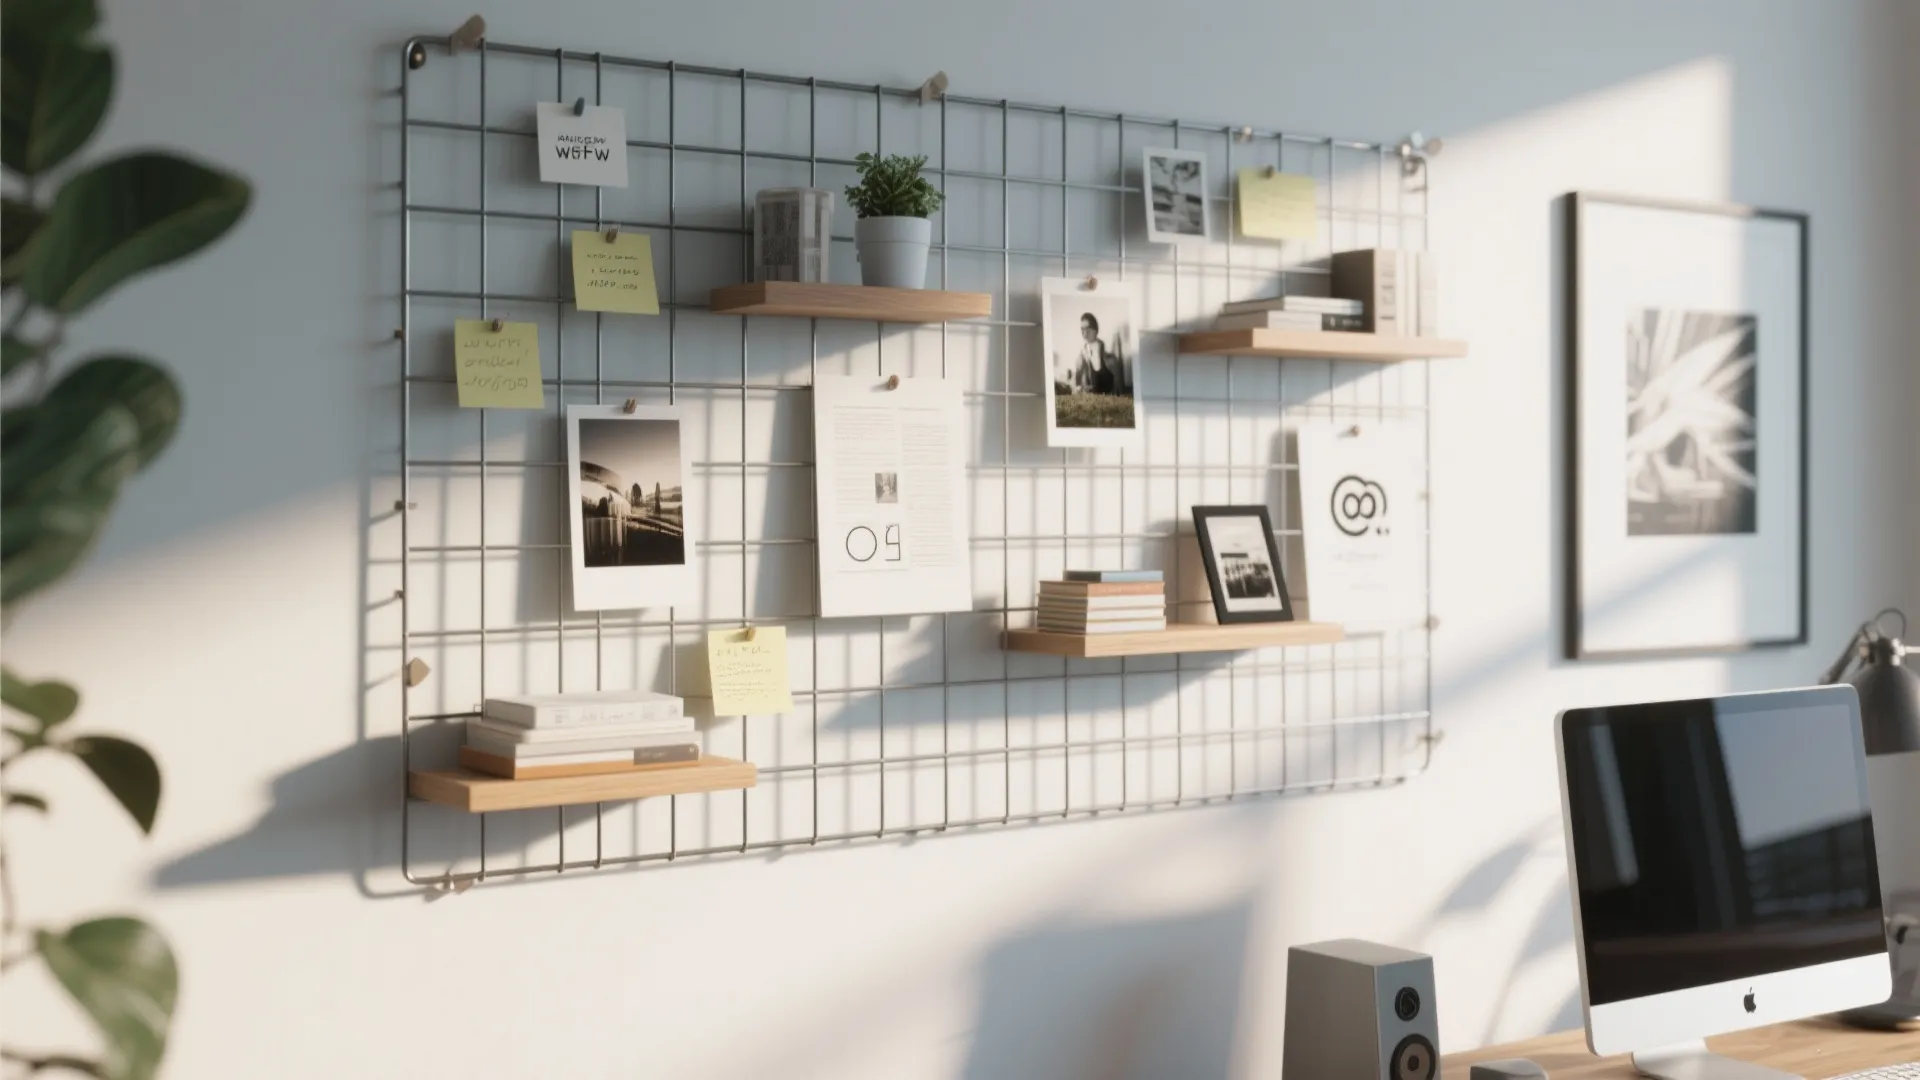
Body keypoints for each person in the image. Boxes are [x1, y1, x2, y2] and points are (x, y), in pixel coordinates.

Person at [1072, 312, 1115, 395]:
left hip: (1105, 390)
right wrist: (1079, 387)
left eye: (1088, 329)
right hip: (1089, 391)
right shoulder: (1082, 351)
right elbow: (1078, 376)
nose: (1085, 333)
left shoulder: (1103, 348)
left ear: (1095, 330)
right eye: (1082, 329)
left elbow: (1106, 366)